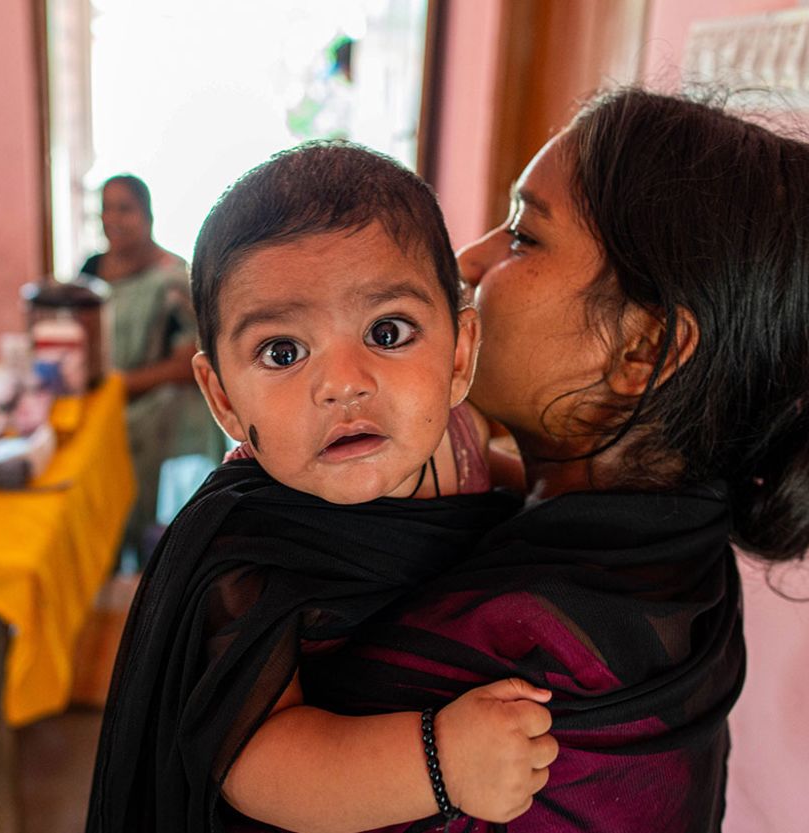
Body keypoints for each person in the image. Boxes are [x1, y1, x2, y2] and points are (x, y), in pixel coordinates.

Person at [231, 88, 809, 832]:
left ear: (640, 349)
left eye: (522, 236)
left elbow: (261, 770)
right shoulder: (672, 556)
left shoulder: (535, 645)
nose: (468, 259)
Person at [88, 143, 558, 833]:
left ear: (459, 355)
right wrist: (440, 760)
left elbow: (532, 508)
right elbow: (257, 757)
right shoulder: (245, 546)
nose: (344, 382)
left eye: (387, 332)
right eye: (283, 352)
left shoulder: (465, 440)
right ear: (221, 399)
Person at [79, 174, 227, 562]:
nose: (112, 218)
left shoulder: (174, 279)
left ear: (147, 215)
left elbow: (186, 365)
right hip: (107, 405)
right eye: (105, 208)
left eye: (124, 208)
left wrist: (118, 384)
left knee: (160, 528)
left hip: (162, 414)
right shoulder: (92, 272)